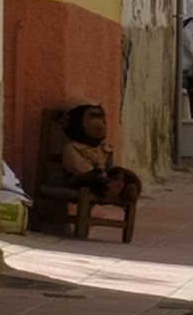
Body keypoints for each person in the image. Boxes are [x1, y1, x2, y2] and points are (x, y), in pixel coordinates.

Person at [60, 101, 142, 237]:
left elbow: (110, 165)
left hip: (104, 176)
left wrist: (118, 174)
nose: (99, 122)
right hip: (79, 179)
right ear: (78, 123)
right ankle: (110, 187)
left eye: (100, 117)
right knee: (88, 179)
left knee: (126, 174)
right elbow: (78, 166)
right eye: (92, 117)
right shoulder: (71, 147)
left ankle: (128, 189)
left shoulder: (104, 147)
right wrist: (99, 175)